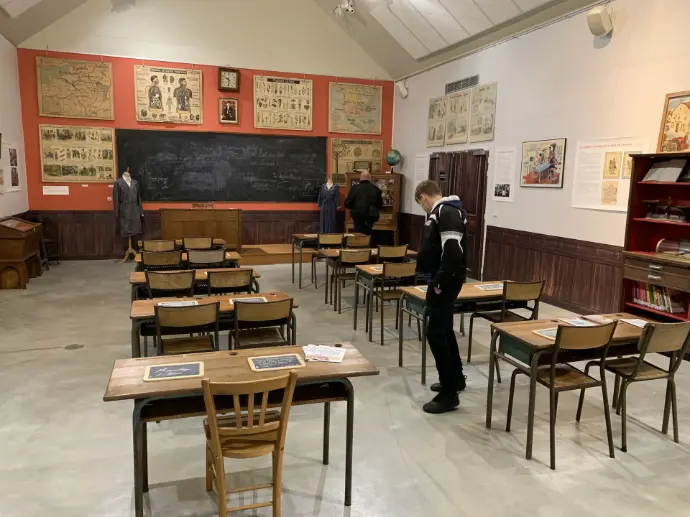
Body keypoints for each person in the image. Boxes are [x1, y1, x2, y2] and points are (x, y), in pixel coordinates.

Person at [414, 180, 467, 414]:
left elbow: (453, 251)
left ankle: (449, 394)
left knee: (435, 333)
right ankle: (455, 379)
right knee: (444, 329)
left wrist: (438, 282)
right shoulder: (444, 211)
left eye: (421, 204)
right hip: (441, 279)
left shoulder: (446, 212)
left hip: (444, 282)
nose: (423, 209)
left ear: (424, 197)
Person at [344, 171, 383, 235]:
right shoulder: (375, 189)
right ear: (370, 178)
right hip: (370, 217)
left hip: (357, 216)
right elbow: (380, 205)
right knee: (367, 234)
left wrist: (354, 207)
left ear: (360, 178)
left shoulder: (355, 188)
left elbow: (347, 203)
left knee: (358, 235)